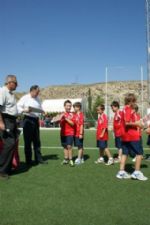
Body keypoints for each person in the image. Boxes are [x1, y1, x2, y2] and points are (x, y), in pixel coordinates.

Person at [116, 93, 148, 181]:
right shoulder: (128, 109)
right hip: (132, 135)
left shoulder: (124, 109)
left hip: (125, 136)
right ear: (131, 101)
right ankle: (136, 172)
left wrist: (141, 124)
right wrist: (137, 124)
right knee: (139, 153)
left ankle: (121, 172)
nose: (135, 102)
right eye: (134, 100)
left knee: (125, 153)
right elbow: (127, 122)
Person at [17, 85, 47, 166]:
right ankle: (29, 161)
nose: (38, 94)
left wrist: (43, 111)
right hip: (27, 119)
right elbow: (18, 107)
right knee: (28, 141)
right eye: (37, 92)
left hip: (36, 120)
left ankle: (39, 159)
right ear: (32, 91)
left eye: (38, 92)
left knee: (37, 141)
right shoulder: (25, 98)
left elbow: (40, 108)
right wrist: (25, 110)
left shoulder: (38, 99)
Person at [0, 75, 18, 179]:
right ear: (9, 82)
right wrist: (1, 123)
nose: (17, 85)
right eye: (15, 83)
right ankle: (2, 170)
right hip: (5, 120)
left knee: (11, 144)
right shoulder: (2, 91)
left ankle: (6, 168)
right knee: (9, 144)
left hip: (12, 121)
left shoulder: (11, 94)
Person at [59, 100, 76, 167]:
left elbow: (72, 124)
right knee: (65, 146)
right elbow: (60, 124)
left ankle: (71, 159)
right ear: (64, 106)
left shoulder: (72, 114)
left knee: (69, 146)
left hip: (70, 133)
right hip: (62, 133)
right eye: (67, 106)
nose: (69, 107)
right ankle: (66, 159)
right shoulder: (61, 114)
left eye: (70, 106)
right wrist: (58, 119)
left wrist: (65, 118)